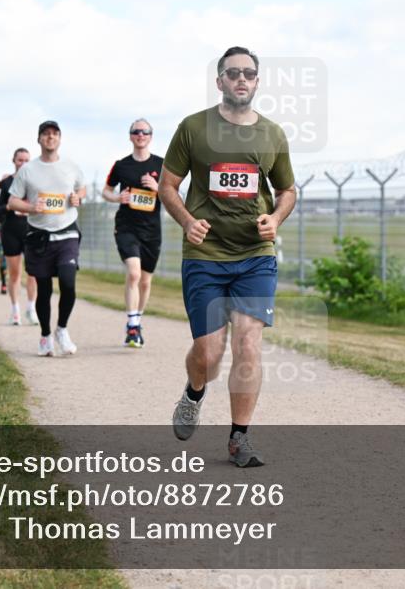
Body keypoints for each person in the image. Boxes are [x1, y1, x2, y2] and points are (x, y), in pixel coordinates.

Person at [159, 46, 297, 468]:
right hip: (205, 256)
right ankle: (194, 391)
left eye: (249, 74)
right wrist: (186, 221)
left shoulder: (272, 134)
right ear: (219, 81)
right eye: (232, 73)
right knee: (209, 352)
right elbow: (167, 185)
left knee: (248, 345)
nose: (241, 79)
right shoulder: (193, 128)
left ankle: (240, 438)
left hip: (256, 256)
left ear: (257, 83)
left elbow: (287, 190)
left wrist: (275, 218)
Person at [7, 120, 86, 357]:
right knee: (43, 289)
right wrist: (32, 207)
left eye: (55, 134)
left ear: (60, 139)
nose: (50, 137)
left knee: (68, 282)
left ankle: (61, 329)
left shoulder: (71, 166)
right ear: (39, 139)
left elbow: (82, 189)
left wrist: (77, 198)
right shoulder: (28, 170)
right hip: (39, 237)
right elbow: (12, 202)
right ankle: (45, 335)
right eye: (46, 134)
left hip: (67, 232)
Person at [102, 118, 164, 347]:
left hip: (152, 231)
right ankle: (132, 326)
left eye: (145, 132)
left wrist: (158, 188)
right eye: (136, 131)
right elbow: (106, 191)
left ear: (151, 136)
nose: (140, 135)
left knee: (146, 282)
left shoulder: (162, 165)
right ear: (130, 136)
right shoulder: (121, 165)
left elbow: (173, 194)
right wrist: (118, 197)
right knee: (134, 273)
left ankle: (137, 321)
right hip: (126, 227)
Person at [0, 148, 39, 325]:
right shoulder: (5, 183)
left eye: (27, 160)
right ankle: (15, 311)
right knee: (15, 273)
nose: (24, 164)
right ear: (14, 161)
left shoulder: (36, 183)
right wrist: (9, 207)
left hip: (32, 230)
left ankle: (32, 309)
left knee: (33, 273)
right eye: (20, 160)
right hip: (10, 231)